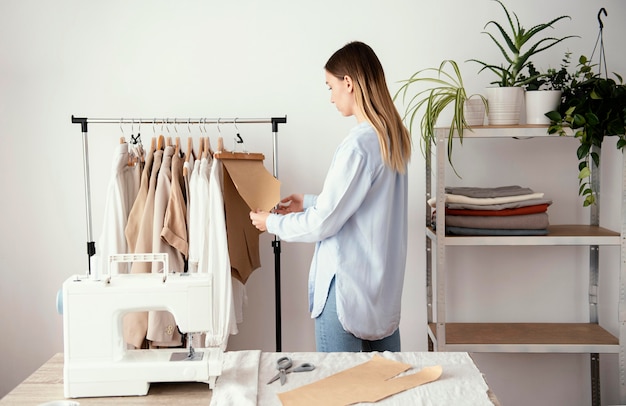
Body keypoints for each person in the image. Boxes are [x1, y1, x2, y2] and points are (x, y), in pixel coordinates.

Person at [249, 41, 411, 352]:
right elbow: (365, 205)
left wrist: (271, 223)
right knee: (386, 394)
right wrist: (308, 202)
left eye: (331, 86)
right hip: (381, 296)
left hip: (346, 294)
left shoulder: (358, 146)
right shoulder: (393, 139)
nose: (331, 97)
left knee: (339, 394)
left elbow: (324, 223)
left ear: (348, 83)